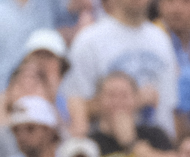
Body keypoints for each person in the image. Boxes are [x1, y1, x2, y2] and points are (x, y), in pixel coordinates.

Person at [63, 0, 176, 131]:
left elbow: (170, 106)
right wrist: (131, 101)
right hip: (107, 147)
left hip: (160, 144)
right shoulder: (89, 41)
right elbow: (75, 108)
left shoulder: (161, 39)